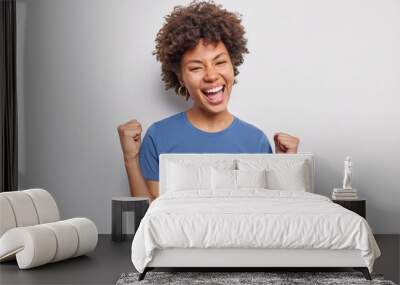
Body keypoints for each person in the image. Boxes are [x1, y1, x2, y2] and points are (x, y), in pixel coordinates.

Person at [117, 1, 300, 201]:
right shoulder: (159, 136)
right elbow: (149, 216)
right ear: (181, 79)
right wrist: (131, 160)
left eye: (220, 62)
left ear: (233, 65)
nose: (211, 76)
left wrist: (283, 168)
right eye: (196, 67)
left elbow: (266, 215)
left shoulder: (255, 141)